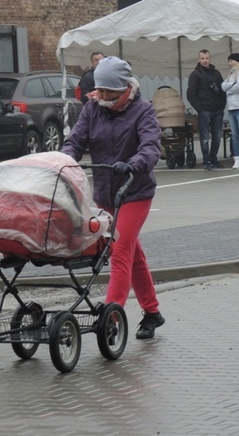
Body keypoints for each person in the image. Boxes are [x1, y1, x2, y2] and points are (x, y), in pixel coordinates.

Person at [62, 56, 165, 340]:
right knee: (133, 253)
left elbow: (150, 146)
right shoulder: (92, 108)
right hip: (106, 193)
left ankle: (112, 315)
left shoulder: (142, 111)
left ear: (123, 89)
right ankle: (153, 312)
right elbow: (77, 139)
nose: (102, 96)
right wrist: (65, 157)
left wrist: (134, 163)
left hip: (135, 191)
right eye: (99, 90)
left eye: (108, 92)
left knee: (119, 251)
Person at [186, 49, 226, 170]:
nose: (205, 61)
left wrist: (222, 105)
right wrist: (200, 109)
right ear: (199, 59)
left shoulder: (216, 73)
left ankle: (214, 159)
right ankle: (206, 160)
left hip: (218, 110)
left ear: (210, 58)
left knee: (217, 137)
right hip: (205, 110)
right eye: (202, 58)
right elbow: (190, 94)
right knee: (204, 138)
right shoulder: (195, 75)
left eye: (207, 58)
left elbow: (223, 89)